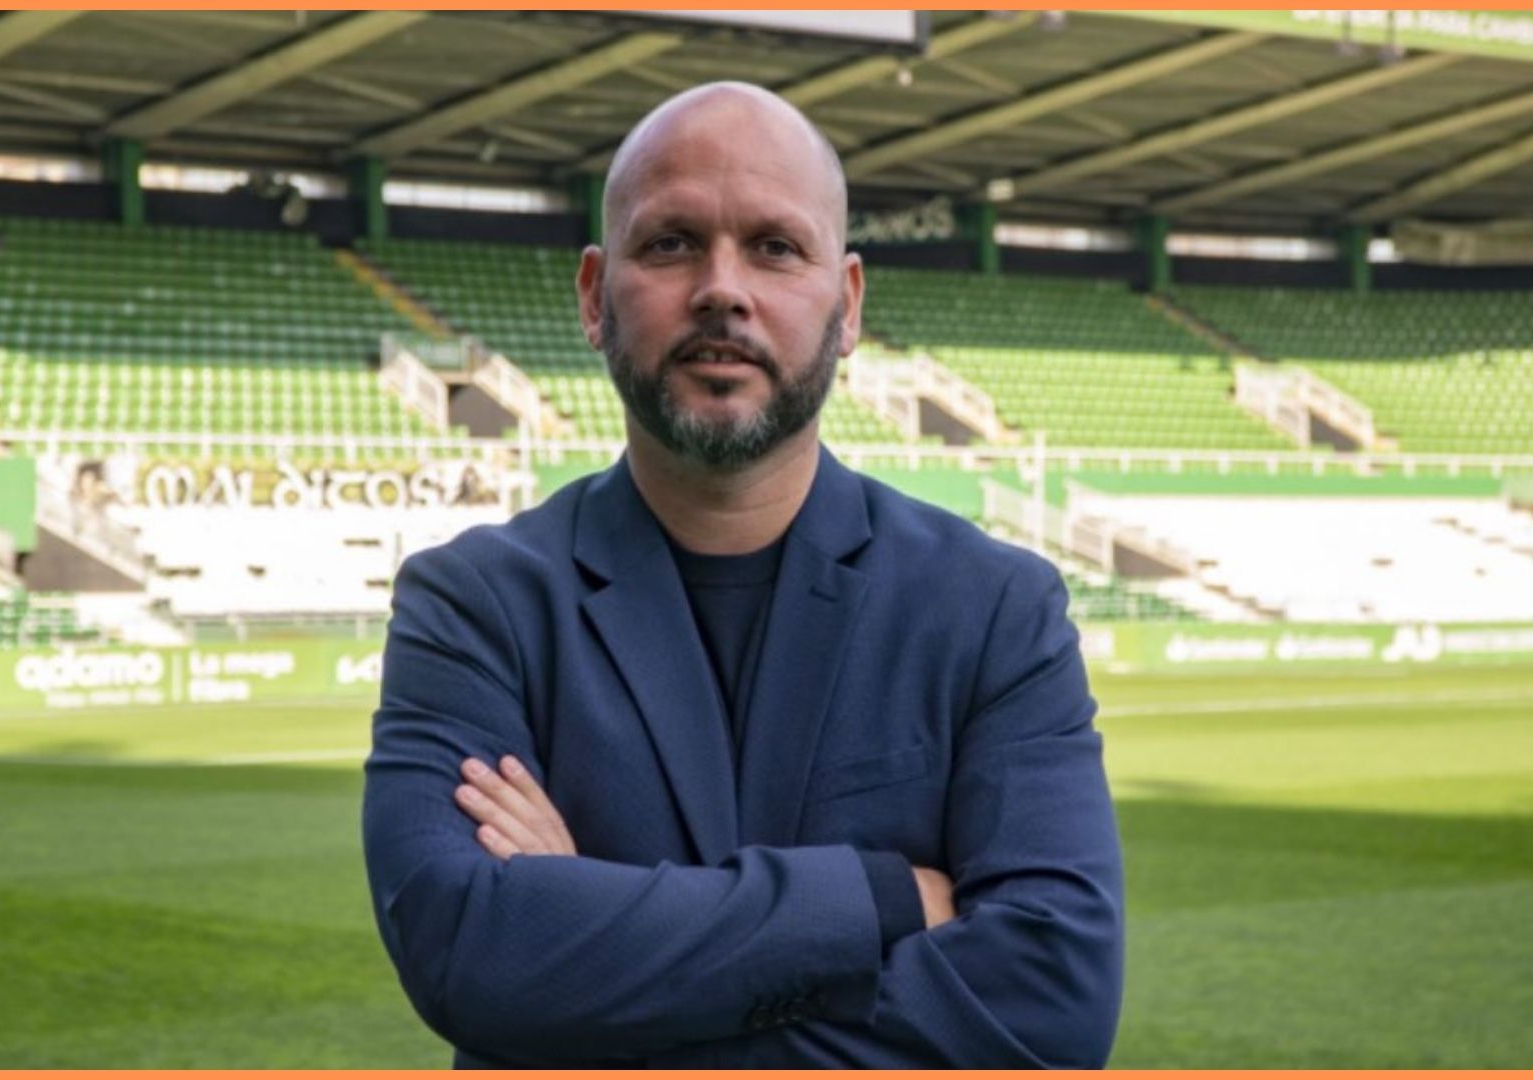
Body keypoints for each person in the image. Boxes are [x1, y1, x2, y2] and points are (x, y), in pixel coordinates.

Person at [361, 81, 1123, 1068]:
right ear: (595, 296)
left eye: (774, 246)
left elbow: (1053, 1008)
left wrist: (590, 955)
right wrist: (883, 898)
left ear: (846, 305)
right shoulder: (473, 607)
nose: (724, 288)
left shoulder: (996, 611)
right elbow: (471, 954)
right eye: (671, 242)